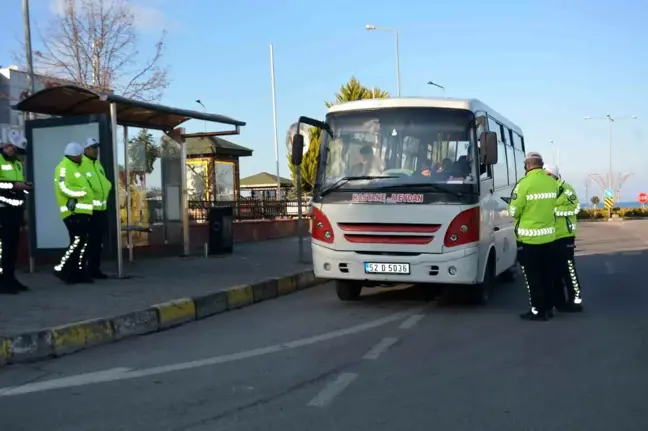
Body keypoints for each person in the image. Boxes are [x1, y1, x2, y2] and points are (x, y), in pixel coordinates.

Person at [508, 152, 559, 321]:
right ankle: (550, 308)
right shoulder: (552, 183)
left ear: (528, 166)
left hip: (530, 239)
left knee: (533, 278)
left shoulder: (524, 184)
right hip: (550, 238)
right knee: (548, 275)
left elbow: (514, 211)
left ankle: (538, 311)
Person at [53, 142, 94, 284]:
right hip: (73, 212)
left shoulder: (75, 167)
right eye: (80, 155)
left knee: (81, 242)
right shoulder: (63, 167)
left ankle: (76, 272)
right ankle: (63, 269)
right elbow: (63, 187)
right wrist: (81, 193)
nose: (82, 157)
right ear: (74, 155)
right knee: (78, 242)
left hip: (82, 212)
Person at [544, 165, 584, 312]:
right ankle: (558, 301)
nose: (546, 177)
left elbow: (575, 208)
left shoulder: (566, 189)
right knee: (553, 272)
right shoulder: (543, 191)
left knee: (568, 270)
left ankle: (576, 301)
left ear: (555, 175)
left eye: (548, 174)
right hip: (548, 237)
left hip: (564, 237)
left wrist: (553, 211)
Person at [0, 129, 32, 294]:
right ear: (7, 146)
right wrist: (14, 186)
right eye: (16, 151)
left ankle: (10, 279)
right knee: (3, 247)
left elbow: (17, 186)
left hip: (15, 210)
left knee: (12, 247)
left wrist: (25, 188)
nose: (18, 155)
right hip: (2, 210)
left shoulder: (17, 163)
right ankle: (3, 282)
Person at [80, 137, 112, 279]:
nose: (96, 151)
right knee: (87, 242)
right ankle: (84, 269)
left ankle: (95, 269)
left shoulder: (98, 165)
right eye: (93, 148)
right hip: (88, 210)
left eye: (96, 148)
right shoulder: (81, 164)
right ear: (86, 150)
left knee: (98, 242)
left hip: (101, 210)